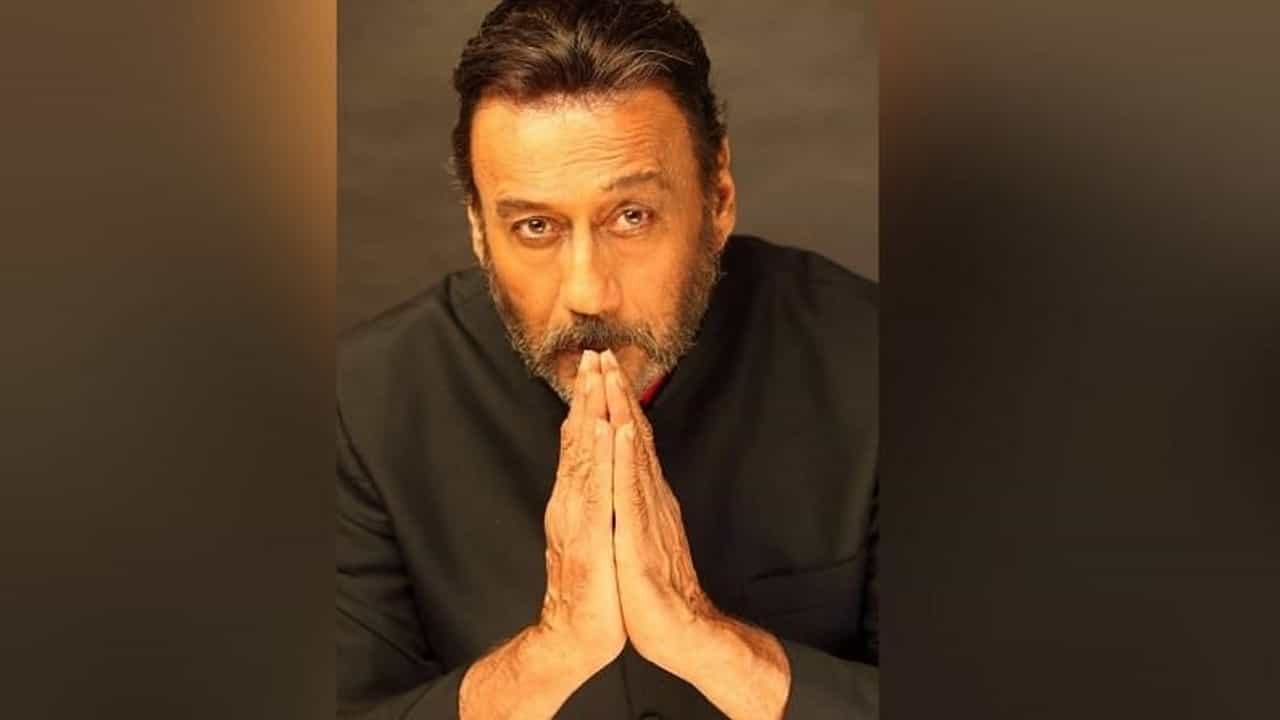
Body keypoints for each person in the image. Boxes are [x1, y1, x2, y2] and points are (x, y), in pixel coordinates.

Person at [337, 1, 878, 717]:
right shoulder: (360, 404)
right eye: (535, 226)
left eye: (632, 217)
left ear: (717, 196)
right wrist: (554, 651)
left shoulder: (880, 364)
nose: (588, 293)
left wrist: (703, 639)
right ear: (477, 228)